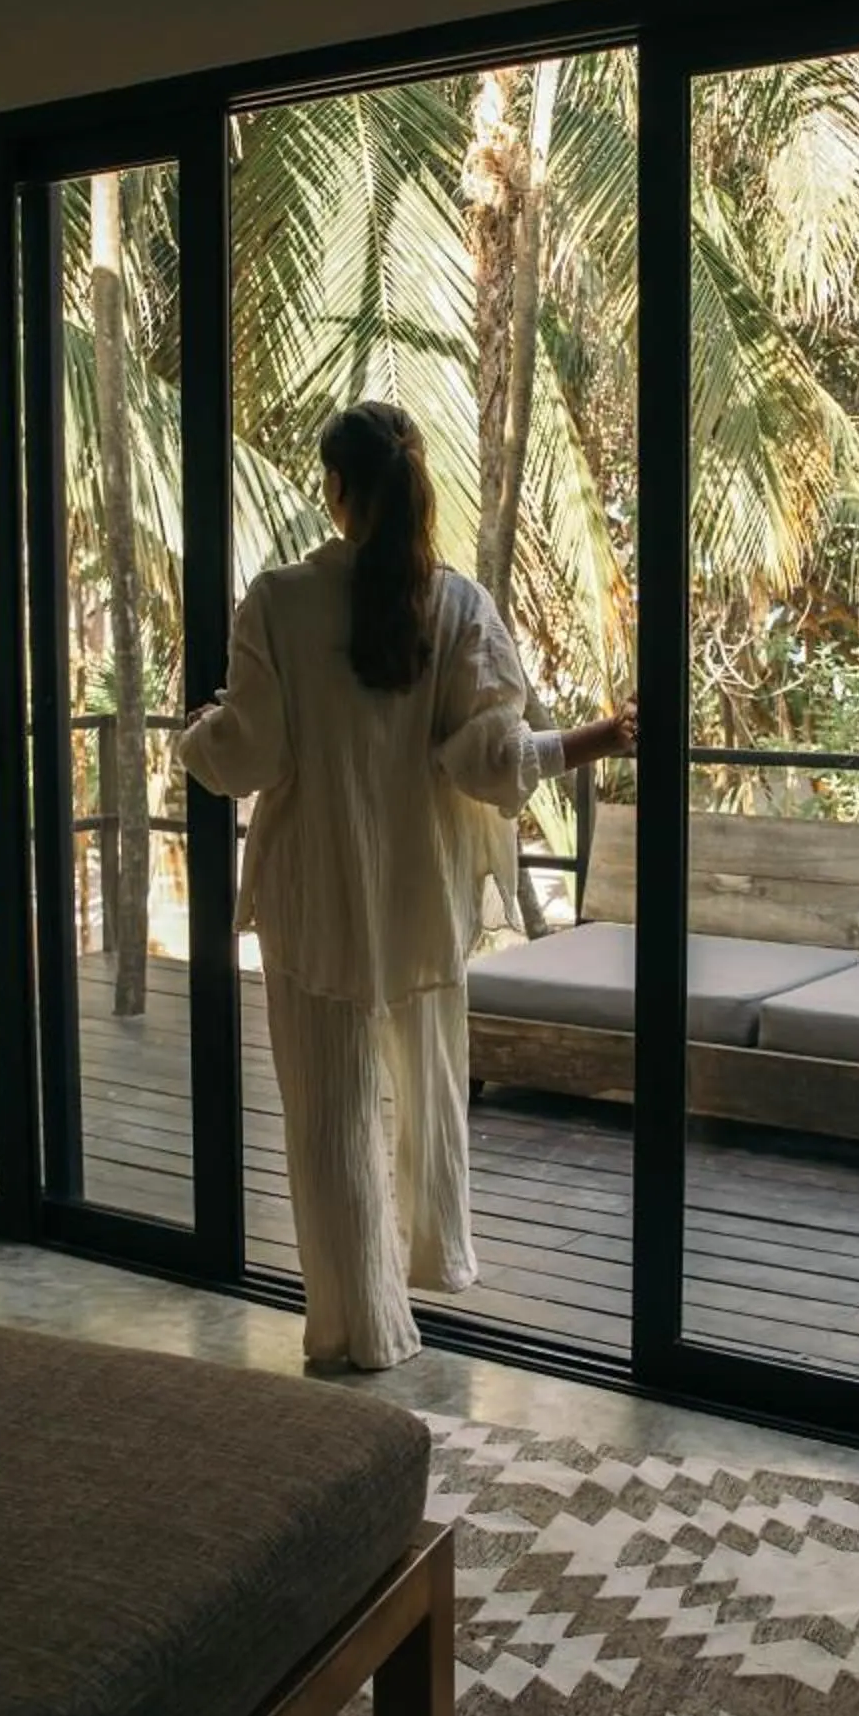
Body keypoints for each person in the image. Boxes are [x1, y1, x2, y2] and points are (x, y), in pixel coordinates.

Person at [178, 401, 635, 1371]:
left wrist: (193, 731)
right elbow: (490, 759)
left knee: (328, 1117)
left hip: (314, 895)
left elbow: (248, 750)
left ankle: (356, 1328)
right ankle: (396, 1296)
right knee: (412, 1094)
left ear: (336, 489)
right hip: (416, 899)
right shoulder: (459, 603)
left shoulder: (281, 599)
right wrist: (597, 736)